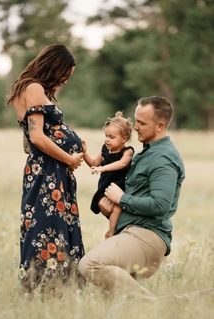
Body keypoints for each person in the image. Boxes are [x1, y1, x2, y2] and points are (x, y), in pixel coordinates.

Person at [79, 96, 185, 299]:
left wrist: (122, 198)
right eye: (136, 121)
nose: (135, 127)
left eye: (142, 123)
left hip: (147, 236)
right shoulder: (142, 154)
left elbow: (160, 205)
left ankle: (159, 305)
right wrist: (110, 207)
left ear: (161, 126)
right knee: (113, 300)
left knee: (89, 265)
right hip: (129, 233)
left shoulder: (163, 158)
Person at [7, 44, 85, 291]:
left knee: (52, 227)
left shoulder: (30, 88)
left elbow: (29, 141)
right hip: (47, 175)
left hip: (52, 172)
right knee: (46, 228)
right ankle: (44, 288)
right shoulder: (34, 88)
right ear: (54, 67)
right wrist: (69, 158)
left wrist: (69, 143)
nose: (65, 81)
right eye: (64, 75)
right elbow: (37, 137)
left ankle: (58, 289)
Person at [82, 112, 134, 238]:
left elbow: (121, 164)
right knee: (104, 206)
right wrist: (84, 154)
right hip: (105, 186)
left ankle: (111, 233)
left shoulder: (127, 151)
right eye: (106, 136)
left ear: (124, 139)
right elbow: (94, 163)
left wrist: (102, 168)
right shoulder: (105, 150)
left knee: (116, 209)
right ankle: (115, 228)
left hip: (119, 186)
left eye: (112, 137)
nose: (107, 139)